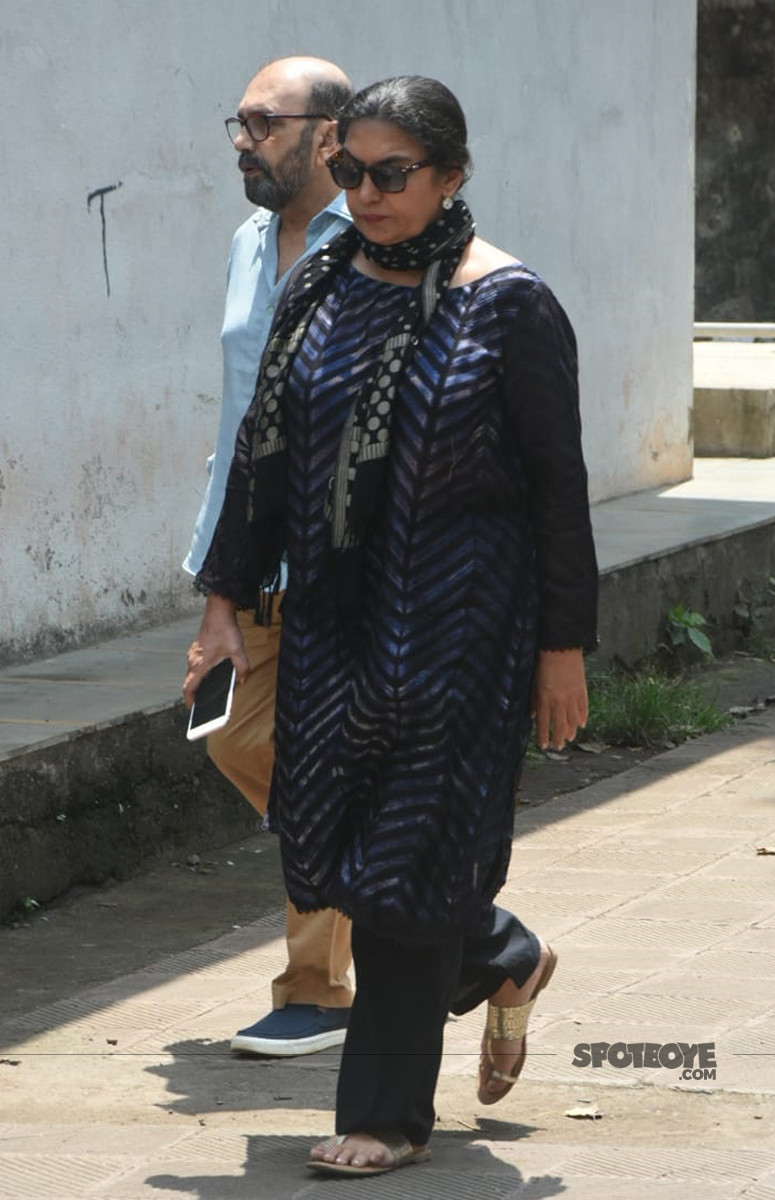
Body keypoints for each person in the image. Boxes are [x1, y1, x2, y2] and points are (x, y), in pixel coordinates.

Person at [187, 75, 598, 1178]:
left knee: (408, 861)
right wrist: (221, 608)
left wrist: (562, 648)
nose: (365, 194)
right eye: (352, 172)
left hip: (462, 631)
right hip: (330, 626)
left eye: (391, 175)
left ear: (451, 176)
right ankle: (500, 953)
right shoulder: (319, 287)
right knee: (341, 852)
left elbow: (559, 489)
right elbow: (259, 464)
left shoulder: (506, 303)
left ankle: (383, 1114)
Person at [182, 55, 357, 1058]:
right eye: (236, 123)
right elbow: (236, 417)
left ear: (328, 134)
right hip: (248, 557)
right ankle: (451, 928)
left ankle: (315, 988)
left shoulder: (377, 239)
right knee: (237, 739)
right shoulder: (251, 241)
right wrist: (215, 580)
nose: (243, 142)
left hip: (342, 558)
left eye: (262, 122)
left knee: (321, 760)